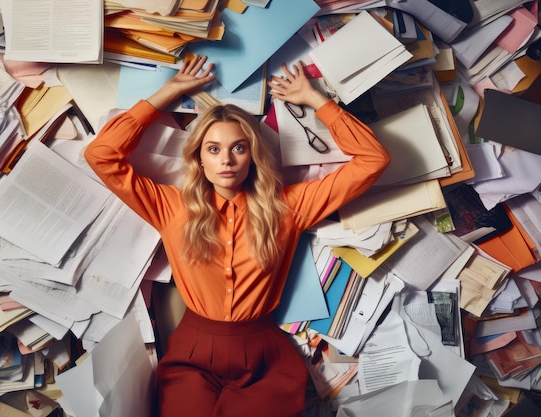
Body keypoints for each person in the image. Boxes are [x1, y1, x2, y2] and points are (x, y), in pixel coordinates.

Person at [84, 55, 390, 417]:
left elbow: (373, 159)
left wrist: (316, 100)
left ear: (252, 157)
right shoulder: (171, 206)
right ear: (199, 159)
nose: (226, 160)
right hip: (191, 356)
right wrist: (167, 93)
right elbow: (101, 155)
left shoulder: (288, 207)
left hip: (264, 358)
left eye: (238, 148)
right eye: (214, 149)